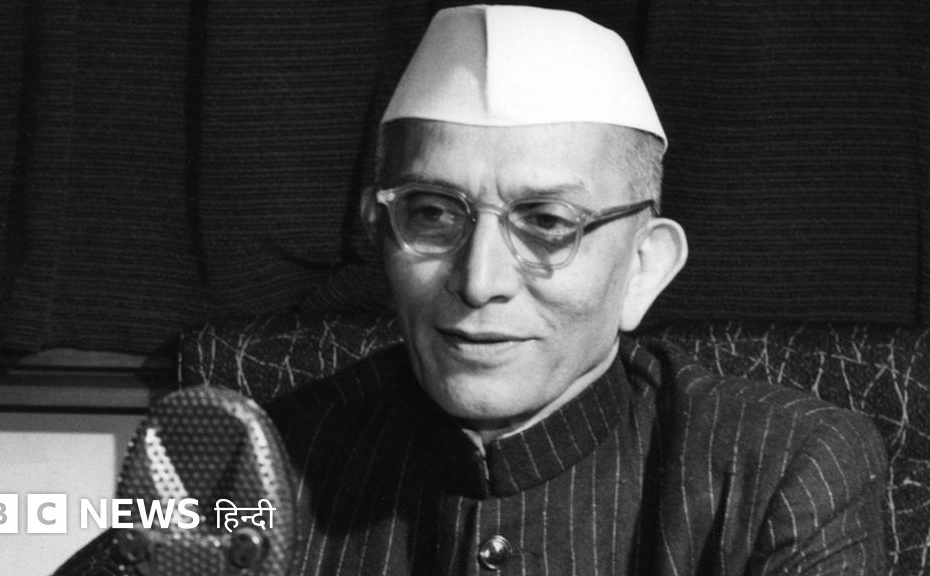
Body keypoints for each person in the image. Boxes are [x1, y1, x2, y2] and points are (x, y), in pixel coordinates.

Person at [261, 5, 888, 575]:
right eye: (432, 213)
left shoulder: (786, 469)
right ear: (379, 232)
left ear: (643, 266)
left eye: (546, 223)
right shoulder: (254, 465)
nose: (479, 282)